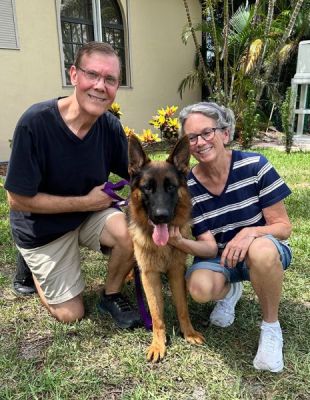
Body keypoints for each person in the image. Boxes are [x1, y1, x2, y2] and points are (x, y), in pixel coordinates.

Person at [4, 41, 140, 329]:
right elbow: (16, 200)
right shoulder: (35, 124)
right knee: (71, 314)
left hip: (89, 215)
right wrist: (85, 203)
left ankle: (112, 294)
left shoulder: (109, 126)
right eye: (92, 75)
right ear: (74, 75)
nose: (100, 86)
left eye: (110, 79)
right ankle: (30, 264)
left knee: (133, 231)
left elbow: (136, 173)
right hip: (42, 227)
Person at [168, 102, 292, 373]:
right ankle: (231, 290)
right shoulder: (188, 186)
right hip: (221, 257)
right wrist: (179, 242)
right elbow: (208, 245)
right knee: (198, 287)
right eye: (192, 138)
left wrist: (250, 233)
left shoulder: (255, 165)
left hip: (263, 251)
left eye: (207, 133)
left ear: (225, 134)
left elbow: (283, 227)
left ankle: (271, 328)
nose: (200, 142)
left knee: (260, 250)